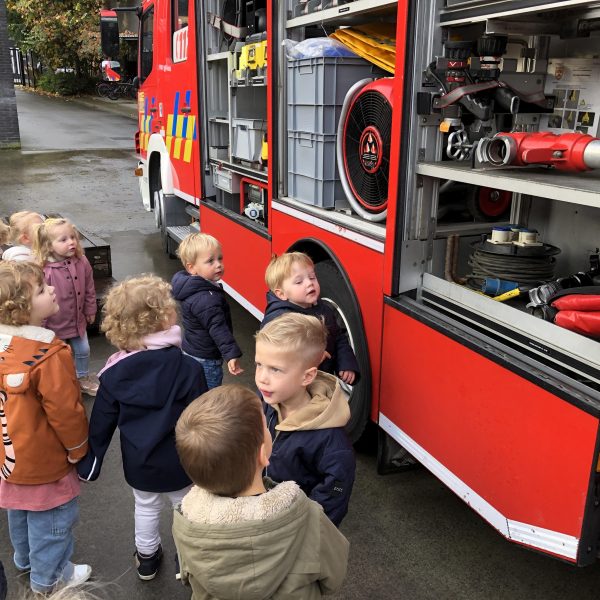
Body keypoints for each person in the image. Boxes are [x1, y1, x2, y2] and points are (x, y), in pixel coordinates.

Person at [76, 274, 208, 581]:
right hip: (183, 462)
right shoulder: (189, 367)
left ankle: (147, 559)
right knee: (186, 510)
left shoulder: (114, 372)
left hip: (140, 463)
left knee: (146, 507)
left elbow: (101, 423)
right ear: (164, 318)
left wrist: (91, 462)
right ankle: (187, 560)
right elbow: (205, 417)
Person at [173, 384, 350, 599]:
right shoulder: (308, 516)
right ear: (263, 454)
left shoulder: (187, 523)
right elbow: (334, 575)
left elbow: (186, 575)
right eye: (266, 426)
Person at [0, 261, 91, 594]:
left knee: (20, 512)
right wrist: (78, 449)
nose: (52, 288)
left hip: (8, 459)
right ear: (21, 310)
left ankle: (25, 561)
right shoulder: (48, 354)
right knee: (53, 520)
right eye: (41, 290)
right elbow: (66, 412)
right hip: (45, 461)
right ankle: (51, 580)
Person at [255, 313, 356, 526]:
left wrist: (305, 527)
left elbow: (335, 490)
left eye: (275, 369)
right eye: (259, 364)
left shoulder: (331, 440)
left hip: (294, 526)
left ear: (307, 376)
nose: (262, 377)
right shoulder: (269, 399)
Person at [261, 252, 360, 385]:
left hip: (320, 381)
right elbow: (275, 356)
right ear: (282, 294)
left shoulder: (323, 309)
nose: (309, 283)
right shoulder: (279, 320)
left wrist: (346, 363)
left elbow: (338, 337)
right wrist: (313, 357)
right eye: (299, 281)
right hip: (292, 389)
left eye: (312, 277)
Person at [31, 218, 98, 396]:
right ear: (48, 246)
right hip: (53, 325)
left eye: (73, 237)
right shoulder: (43, 269)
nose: (71, 242)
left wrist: (91, 309)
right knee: (56, 355)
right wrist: (39, 324)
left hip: (77, 320)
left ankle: (82, 378)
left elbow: (89, 287)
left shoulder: (81, 261)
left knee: (83, 349)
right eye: (63, 240)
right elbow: (37, 299)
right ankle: (59, 381)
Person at [171, 232, 243, 389]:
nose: (218, 264)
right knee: (209, 396)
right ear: (192, 268)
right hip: (206, 359)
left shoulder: (194, 286)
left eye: (220, 258)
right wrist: (231, 354)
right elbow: (217, 327)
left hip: (192, 350)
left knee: (194, 389)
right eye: (210, 261)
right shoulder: (206, 298)